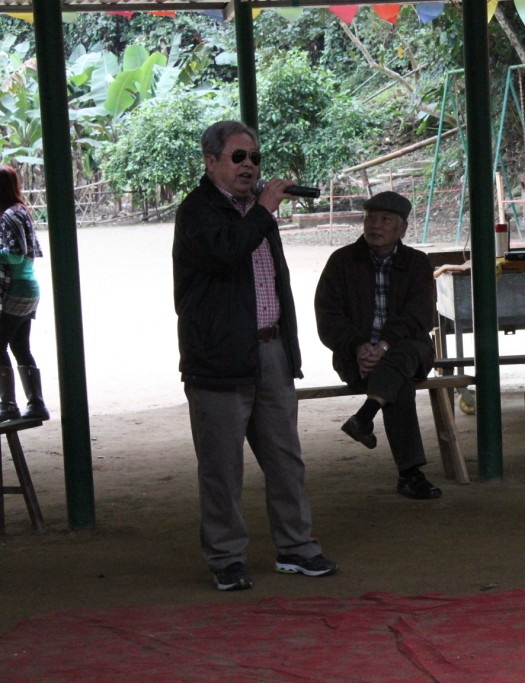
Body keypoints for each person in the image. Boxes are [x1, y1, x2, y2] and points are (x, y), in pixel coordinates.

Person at [173, 120, 336, 591]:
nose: (249, 166)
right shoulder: (197, 211)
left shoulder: (255, 213)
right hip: (219, 357)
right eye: (238, 157)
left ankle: (296, 547)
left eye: (255, 158)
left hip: (271, 351)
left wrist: (287, 348)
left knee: (286, 458)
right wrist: (264, 211)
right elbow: (226, 253)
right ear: (211, 162)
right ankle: (226, 557)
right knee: (222, 467)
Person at [313, 191, 442, 500]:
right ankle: (409, 474)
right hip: (357, 360)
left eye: (385, 219)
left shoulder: (417, 263)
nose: (375, 225)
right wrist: (359, 346)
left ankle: (365, 416)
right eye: (370, 218)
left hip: (408, 352)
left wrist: (383, 345)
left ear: (402, 227)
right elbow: (328, 317)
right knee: (397, 382)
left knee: (401, 355)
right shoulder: (342, 262)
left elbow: (420, 317)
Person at [0, 165, 49, 422]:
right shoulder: (21, 211)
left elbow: (16, 255)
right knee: (20, 346)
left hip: (17, 291)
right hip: (28, 288)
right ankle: (36, 404)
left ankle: (8, 405)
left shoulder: (9, 215)